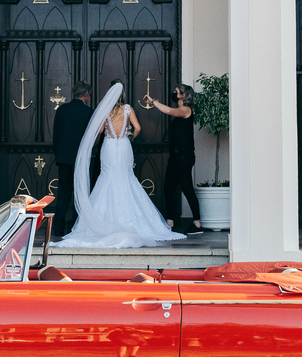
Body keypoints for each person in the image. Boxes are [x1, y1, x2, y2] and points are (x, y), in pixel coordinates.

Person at [56, 81, 185, 248]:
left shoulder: (105, 110)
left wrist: (94, 146)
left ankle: (92, 222)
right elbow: (137, 127)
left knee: (106, 179)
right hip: (123, 146)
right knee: (127, 178)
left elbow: (100, 131)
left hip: (109, 147)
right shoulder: (128, 109)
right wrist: (129, 136)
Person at [147, 84, 202, 234]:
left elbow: (169, 111)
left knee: (186, 188)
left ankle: (197, 224)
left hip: (185, 156)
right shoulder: (181, 110)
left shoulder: (186, 109)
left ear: (184, 95)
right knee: (168, 187)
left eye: (178, 91)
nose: (175, 91)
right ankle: (169, 222)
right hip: (175, 156)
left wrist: (154, 102)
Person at [50, 82, 92, 240]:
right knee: (79, 193)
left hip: (64, 158)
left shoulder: (61, 109)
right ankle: (75, 225)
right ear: (86, 94)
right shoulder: (87, 112)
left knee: (63, 193)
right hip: (80, 159)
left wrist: (58, 154)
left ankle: (58, 226)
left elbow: (56, 134)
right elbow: (90, 137)